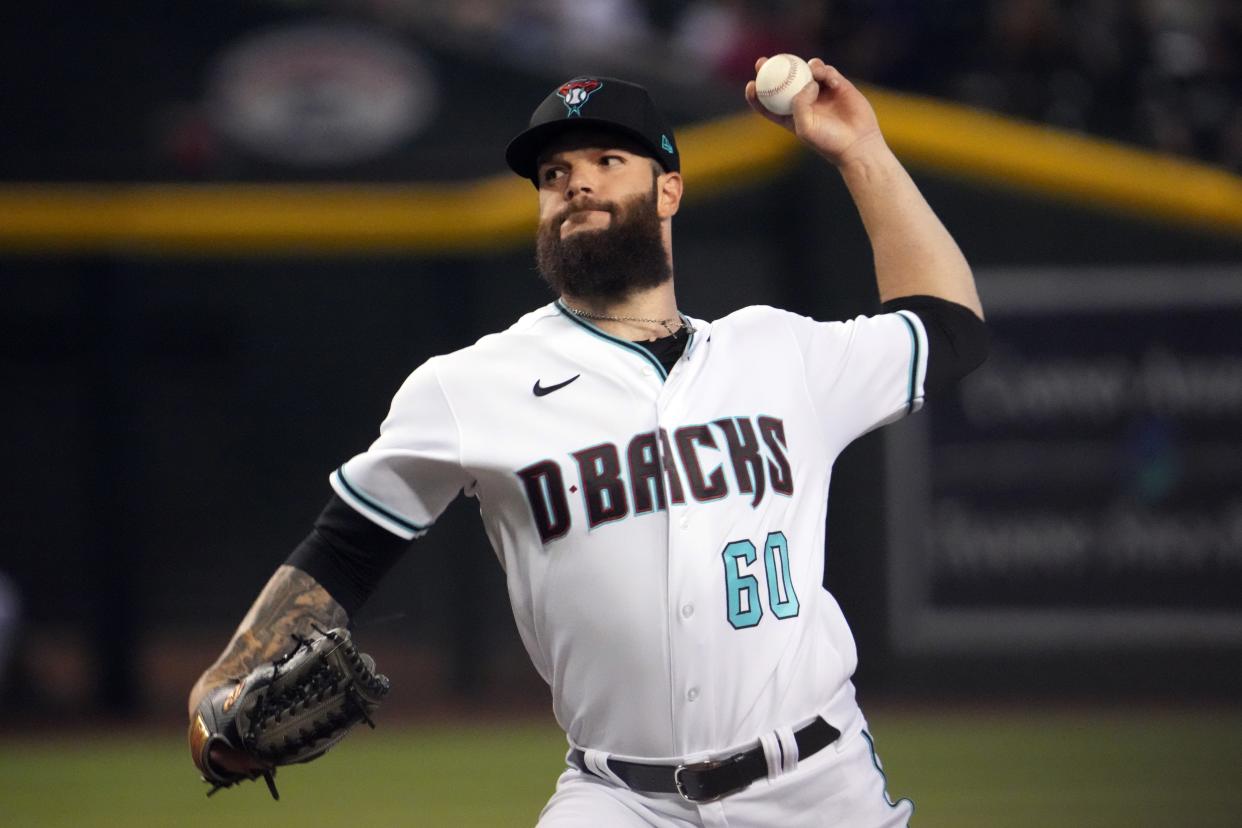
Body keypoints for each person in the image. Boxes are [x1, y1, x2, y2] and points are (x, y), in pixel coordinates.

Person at [188, 58, 987, 826]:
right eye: (553, 173)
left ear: (669, 189)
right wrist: (222, 688)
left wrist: (861, 150)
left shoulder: (780, 354)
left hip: (815, 785)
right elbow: (345, 551)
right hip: (619, 797)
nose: (576, 181)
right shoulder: (472, 385)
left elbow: (948, 331)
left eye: (607, 158)